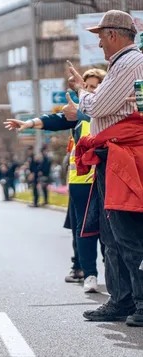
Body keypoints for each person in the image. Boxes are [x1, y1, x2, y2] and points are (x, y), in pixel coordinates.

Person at [68, 10, 143, 326]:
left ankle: (137, 302)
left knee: (127, 234)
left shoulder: (128, 64)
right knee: (112, 234)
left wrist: (83, 96)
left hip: (121, 157)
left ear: (114, 34)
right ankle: (122, 299)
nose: (98, 43)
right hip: (110, 155)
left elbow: (99, 107)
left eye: (100, 36)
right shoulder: (123, 64)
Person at [5, 68, 107, 293]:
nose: (90, 90)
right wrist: (28, 123)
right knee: (83, 228)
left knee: (110, 230)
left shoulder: (107, 111)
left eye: (95, 86)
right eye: (87, 86)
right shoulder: (77, 116)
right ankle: (89, 273)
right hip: (81, 181)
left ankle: (114, 274)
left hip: (106, 179)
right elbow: (55, 120)